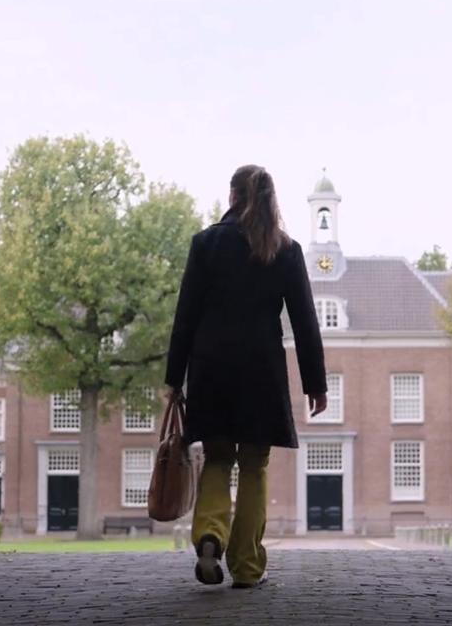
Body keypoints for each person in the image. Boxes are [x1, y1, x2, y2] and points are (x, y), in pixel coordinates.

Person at [164, 164, 328, 589]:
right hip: (261, 370)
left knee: (217, 458)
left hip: (211, 369)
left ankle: (210, 536)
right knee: (254, 466)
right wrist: (315, 383)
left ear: (232, 196)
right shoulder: (285, 249)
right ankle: (248, 565)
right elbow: (305, 322)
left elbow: (186, 315)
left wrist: (173, 377)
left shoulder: (206, 243)